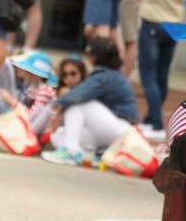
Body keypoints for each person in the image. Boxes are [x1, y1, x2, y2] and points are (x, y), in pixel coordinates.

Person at [41, 38, 137, 166]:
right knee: (58, 135)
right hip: (110, 131)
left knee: (77, 103)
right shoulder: (110, 74)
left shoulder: (104, 75)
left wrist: (55, 107)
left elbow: (76, 96)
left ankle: (71, 152)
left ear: (96, 56)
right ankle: (89, 155)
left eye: (89, 52)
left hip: (122, 129)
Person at [131, 0, 186, 142]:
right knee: (163, 74)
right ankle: (150, 119)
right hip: (174, 23)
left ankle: (155, 121)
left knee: (148, 75)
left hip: (152, 20)